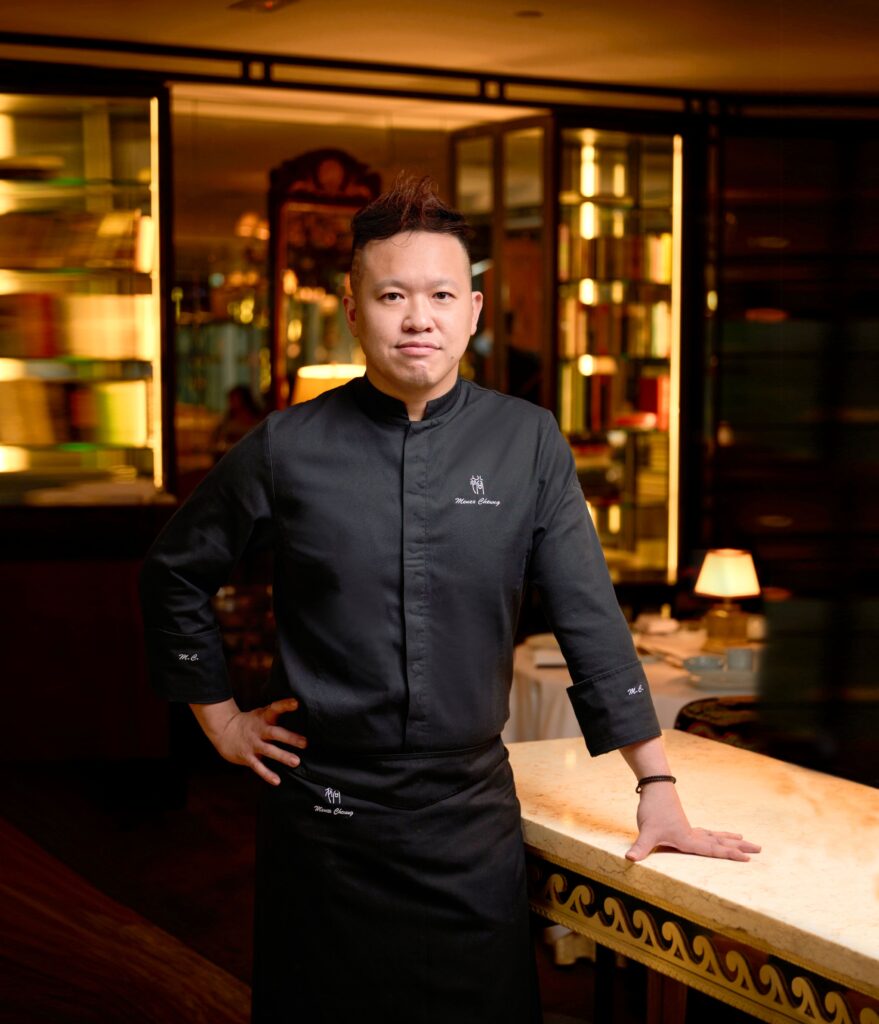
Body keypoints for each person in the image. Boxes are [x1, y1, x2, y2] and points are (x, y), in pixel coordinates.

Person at [140, 178, 759, 1024]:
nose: (417, 319)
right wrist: (218, 721)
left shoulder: (527, 440)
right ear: (353, 311)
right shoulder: (287, 444)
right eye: (391, 295)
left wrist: (654, 781)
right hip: (323, 816)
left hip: (468, 819)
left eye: (439, 295)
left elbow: (586, 615)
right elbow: (173, 570)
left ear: (472, 312)